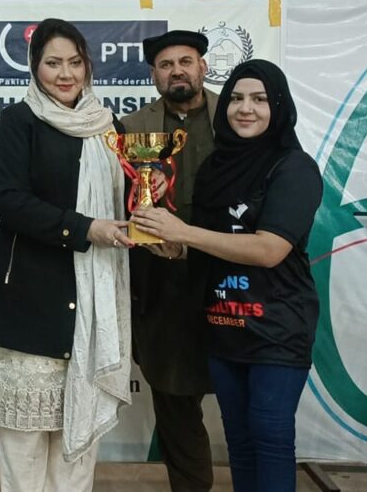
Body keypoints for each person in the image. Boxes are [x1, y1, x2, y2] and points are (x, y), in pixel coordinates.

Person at [132, 59, 324, 492]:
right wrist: (172, 244)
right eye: (236, 98)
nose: (245, 108)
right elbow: (209, 243)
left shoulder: (294, 168)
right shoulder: (215, 169)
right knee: (238, 440)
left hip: (276, 327)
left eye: (259, 99)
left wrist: (186, 232)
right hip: (222, 326)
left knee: (271, 436)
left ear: (279, 106)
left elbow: (269, 249)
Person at [0, 18, 134, 492]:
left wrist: (147, 193)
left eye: (75, 62)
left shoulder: (110, 127)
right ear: (34, 67)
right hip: (28, 301)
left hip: (93, 304)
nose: (66, 74)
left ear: (88, 66)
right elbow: (10, 202)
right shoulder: (18, 121)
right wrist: (86, 229)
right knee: (23, 443)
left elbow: (122, 203)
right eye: (53, 63)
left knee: (76, 444)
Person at [121, 29, 217, 492]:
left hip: (230, 271)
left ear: (203, 67)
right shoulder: (130, 128)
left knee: (246, 393)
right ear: (153, 75)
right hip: (163, 280)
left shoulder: (238, 115)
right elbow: (120, 197)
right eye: (165, 64)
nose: (177, 71)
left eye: (185, 61)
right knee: (175, 399)